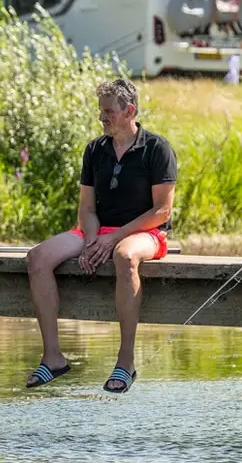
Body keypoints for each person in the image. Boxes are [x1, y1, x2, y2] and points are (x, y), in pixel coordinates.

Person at [24, 78, 177, 393]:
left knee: (125, 256)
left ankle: (125, 362)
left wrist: (114, 239)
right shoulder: (95, 149)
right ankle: (53, 357)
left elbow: (162, 212)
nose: (101, 117)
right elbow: (87, 207)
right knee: (37, 257)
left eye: (108, 111)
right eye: (101, 111)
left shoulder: (156, 148)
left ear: (129, 110)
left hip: (145, 232)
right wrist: (93, 240)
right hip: (98, 230)